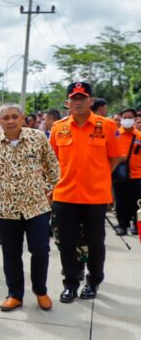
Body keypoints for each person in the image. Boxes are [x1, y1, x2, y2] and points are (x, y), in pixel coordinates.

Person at [0, 104, 60, 311]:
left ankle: (40, 291)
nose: (11, 121)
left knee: (40, 250)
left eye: (15, 117)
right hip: (6, 209)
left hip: (37, 207)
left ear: (22, 118)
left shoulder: (37, 138)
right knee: (11, 254)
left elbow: (53, 166)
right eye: (6, 118)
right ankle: (14, 294)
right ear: (0, 121)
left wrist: (48, 191)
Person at [50, 82, 124, 303]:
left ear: (91, 101)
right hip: (64, 196)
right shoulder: (58, 128)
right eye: (74, 98)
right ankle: (70, 284)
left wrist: (99, 175)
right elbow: (52, 161)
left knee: (95, 242)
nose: (78, 101)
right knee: (67, 242)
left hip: (95, 197)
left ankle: (93, 281)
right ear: (68, 102)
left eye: (82, 97)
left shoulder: (107, 126)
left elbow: (116, 157)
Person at [113, 108, 141, 236]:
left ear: (135, 119)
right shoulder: (116, 134)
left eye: (130, 117)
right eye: (125, 117)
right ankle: (122, 226)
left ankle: (136, 225)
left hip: (137, 175)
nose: (127, 120)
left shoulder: (139, 136)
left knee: (136, 202)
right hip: (119, 174)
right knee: (120, 202)